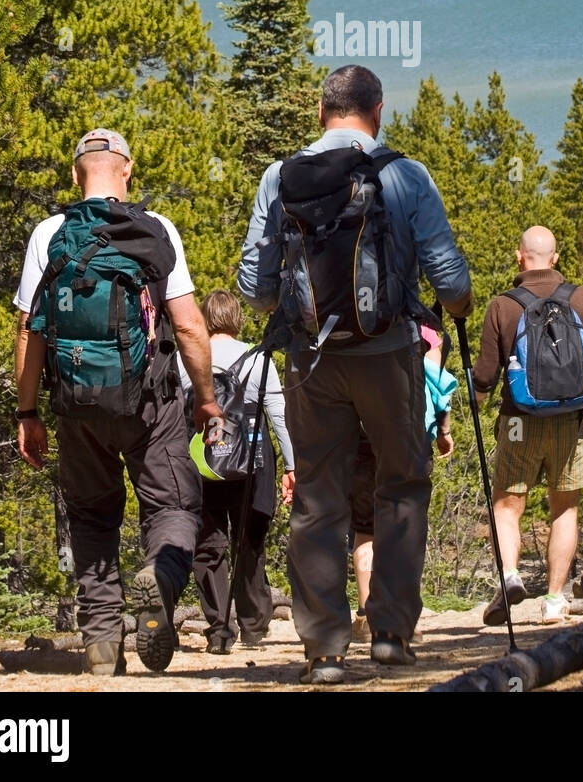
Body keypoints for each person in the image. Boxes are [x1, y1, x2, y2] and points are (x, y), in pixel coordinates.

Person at [238, 64, 473, 686]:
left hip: (311, 362)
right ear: (378, 112)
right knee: (402, 483)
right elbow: (450, 280)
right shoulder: (406, 174)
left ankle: (323, 650)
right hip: (388, 353)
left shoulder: (280, 177)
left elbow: (254, 292)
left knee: (318, 498)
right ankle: (391, 634)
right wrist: (460, 309)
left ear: (321, 113)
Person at [13, 128, 219, 676]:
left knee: (90, 518)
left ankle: (103, 644)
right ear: (126, 170)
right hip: (150, 404)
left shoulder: (49, 235)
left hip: (76, 406)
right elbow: (190, 326)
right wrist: (206, 400)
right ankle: (163, 577)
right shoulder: (153, 230)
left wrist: (27, 412)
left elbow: (30, 331)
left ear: (75, 173)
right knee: (173, 507)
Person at [472, 225, 583, 626]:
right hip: (571, 421)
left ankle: (509, 576)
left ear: (518, 257)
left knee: (507, 507)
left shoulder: (502, 306)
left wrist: (457, 419)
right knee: (564, 508)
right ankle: (556, 600)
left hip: (517, 423)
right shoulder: (581, 298)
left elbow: (485, 378)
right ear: (555, 258)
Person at [176, 289, 296, 651]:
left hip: (202, 461)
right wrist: (293, 466)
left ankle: (218, 629)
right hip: (253, 462)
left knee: (208, 546)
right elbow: (279, 415)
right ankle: (254, 625)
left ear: (205, 320)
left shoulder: (188, 359)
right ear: (236, 319)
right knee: (250, 542)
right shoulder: (257, 359)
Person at [350, 324, 456, 642]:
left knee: (366, 528)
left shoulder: (356, 325)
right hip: (410, 436)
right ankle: (401, 615)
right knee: (405, 526)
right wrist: (444, 431)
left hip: (362, 437)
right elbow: (438, 388)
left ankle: (369, 616)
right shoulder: (425, 334)